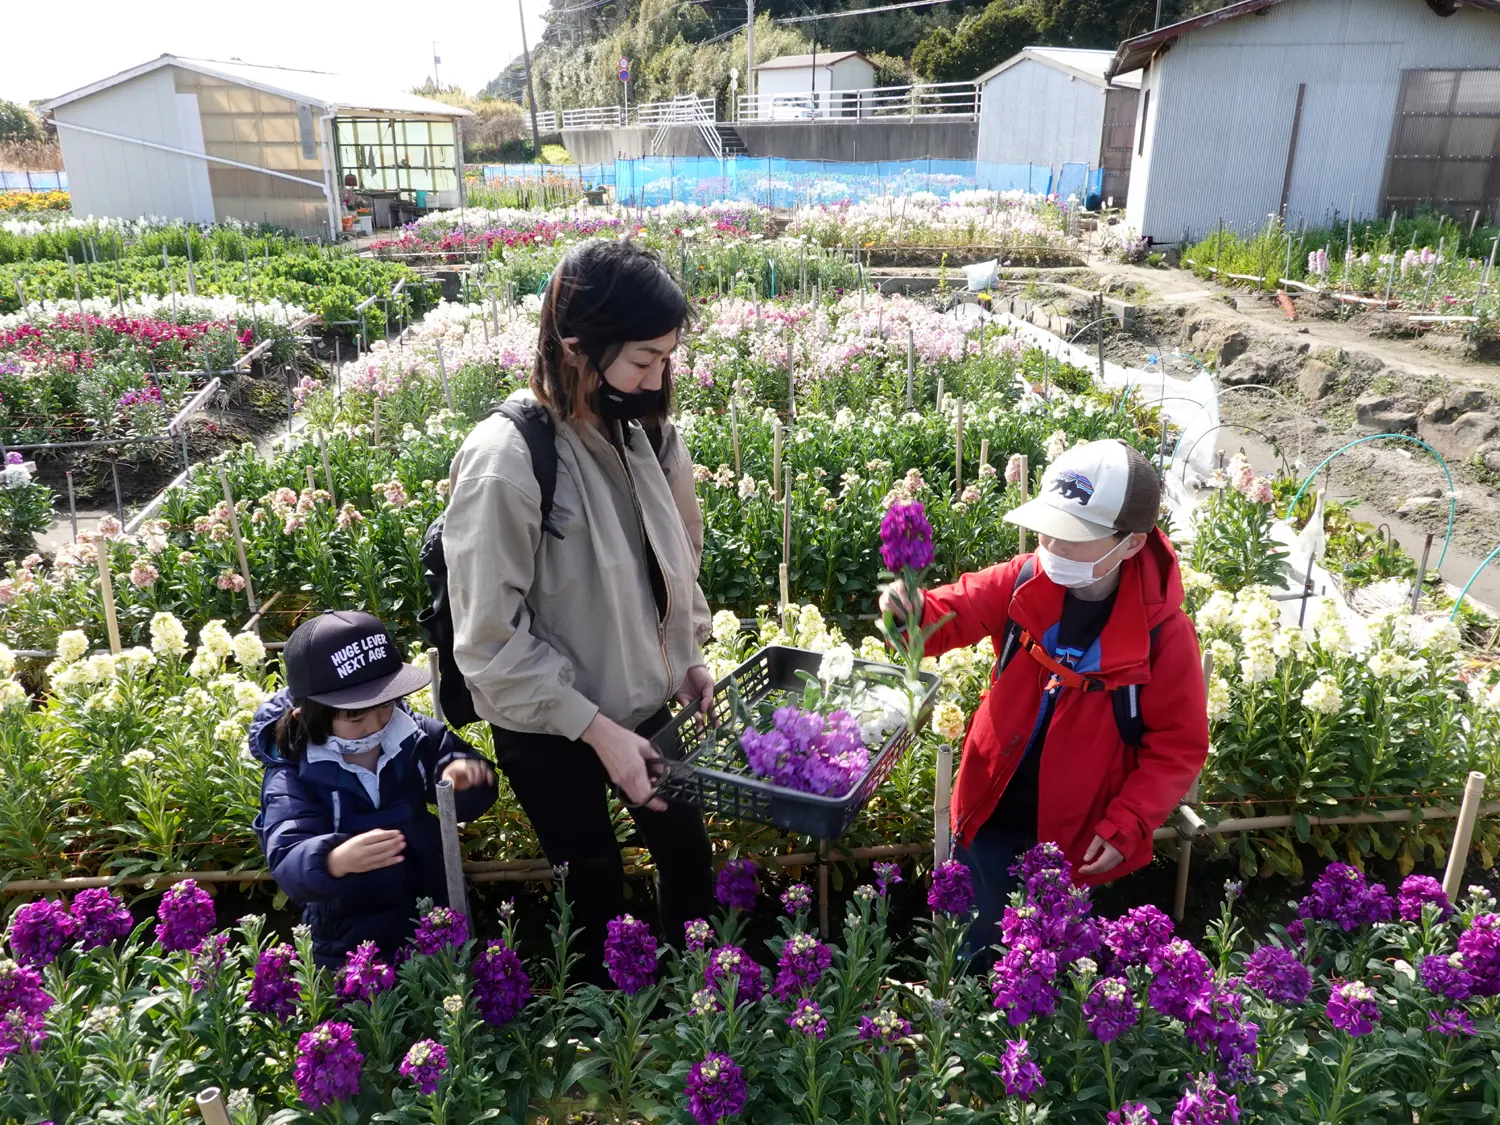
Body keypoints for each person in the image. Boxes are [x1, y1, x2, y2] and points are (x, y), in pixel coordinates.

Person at [442, 239, 717, 985]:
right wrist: (597, 732)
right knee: (592, 886)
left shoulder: (646, 432)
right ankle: (614, 1046)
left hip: (646, 704)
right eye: (641, 360)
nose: (659, 378)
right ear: (575, 348)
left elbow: (677, 558)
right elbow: (489, 644)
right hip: (551, 725)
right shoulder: (509, 457)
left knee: (690, 865)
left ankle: (701, 1019)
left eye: (668, 357)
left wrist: (689, 652)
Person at [883, 440, 1208, 970]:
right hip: (990, 808)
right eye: (1047, 527)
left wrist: (1127, 823)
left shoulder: (1164, 636)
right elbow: (953, 610)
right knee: (980, 948)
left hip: (1079, 837)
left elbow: (1178, 747)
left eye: (1074, 536)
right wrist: (908, 611)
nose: (1052, 544)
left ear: (1130, 545)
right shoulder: (1025, 578)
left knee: (1054, 960)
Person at [251, 610, 498, 967]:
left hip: (432, 903)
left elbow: (468, 784)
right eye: (356, 716)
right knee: (372, 1017)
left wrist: (463, 778)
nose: (377, 723)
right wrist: (332, 860)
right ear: (305, 717)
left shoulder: (413, 733)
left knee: (449, 993)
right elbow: (287, 854)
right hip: (349, 934)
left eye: (385, 704)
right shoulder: (292, 775)